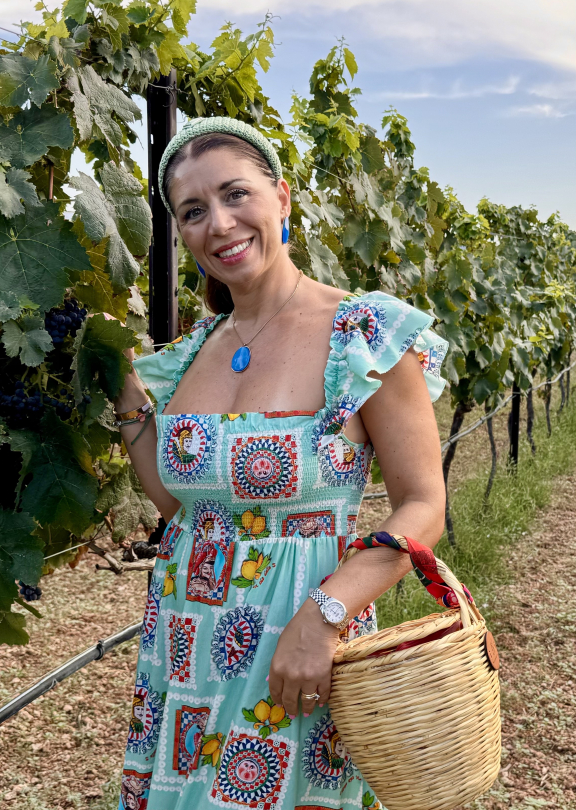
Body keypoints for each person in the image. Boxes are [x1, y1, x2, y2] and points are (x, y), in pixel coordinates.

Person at [110, 116, 448, 810]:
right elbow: (180, 509)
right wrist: (120, 387)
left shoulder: (361, 335)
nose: (219, 224)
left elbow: (423, 505)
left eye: (236, 195)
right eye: (194, 212)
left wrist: (323, 619)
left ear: (283, 198)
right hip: (185, 642)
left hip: (297, 648)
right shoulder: (192, 349)